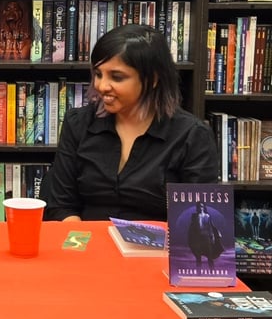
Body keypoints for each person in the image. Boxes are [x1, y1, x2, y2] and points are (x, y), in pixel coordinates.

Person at [44, 24, 219, 222]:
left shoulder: (192, 136)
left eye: (117, 77)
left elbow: (200, 219)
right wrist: (81, 246)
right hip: (87, 244)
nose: (101, 86)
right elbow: (62, 205)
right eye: (98, 74)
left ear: (153, 79)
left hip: (158, 250)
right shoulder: (78, 123)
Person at [187, 202, 223, 270]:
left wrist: (214, 235)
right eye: (199, 206)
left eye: (201, 206)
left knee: (210, 256)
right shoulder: (194, 216)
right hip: (198, 239)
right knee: (198, 257)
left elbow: (211, 226)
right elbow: (192, 227)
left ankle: (212, 271)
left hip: (206, 238)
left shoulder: (207, 216)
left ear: (203, 207)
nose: (200, 208)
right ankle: (199, 272)